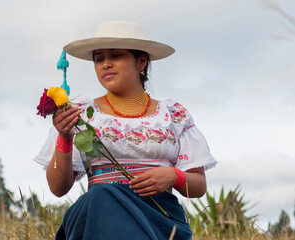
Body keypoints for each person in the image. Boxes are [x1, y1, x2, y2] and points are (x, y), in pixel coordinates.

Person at [34, 21, 217, 240]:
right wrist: (64, 137)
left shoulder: (173, 114)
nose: (106, 64)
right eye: (99, 58)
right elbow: (57, 188)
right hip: (98, 216)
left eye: (116, 56)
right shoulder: (79, 114)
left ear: (141, 62)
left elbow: (198, 187)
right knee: (102, 196)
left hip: (159, 217)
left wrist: (173, 176)